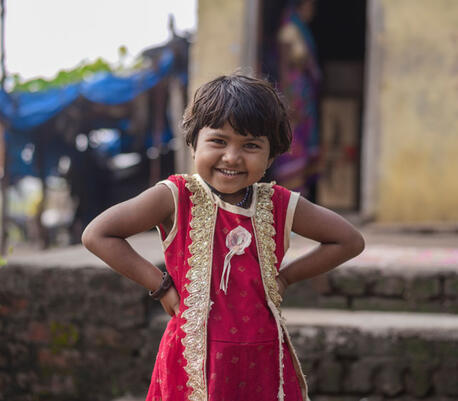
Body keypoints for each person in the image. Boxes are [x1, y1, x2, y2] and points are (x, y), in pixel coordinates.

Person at [82, 74, 364, 401]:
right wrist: (159, 284)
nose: (232, 157)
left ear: (271, 156)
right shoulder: (176, 196)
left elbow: (349, 240)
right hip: (191, 359)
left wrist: (285, 278)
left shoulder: (279, 204)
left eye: (251, 146)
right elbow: (98, 234)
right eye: (218, 141)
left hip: (262, 360)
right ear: (193, 143)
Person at [272, 0, 321, 197]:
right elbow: (284, 68)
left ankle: (300, 191)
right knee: (293, 140)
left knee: (303, 139)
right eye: (310, 5)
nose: (312, 10)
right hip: (294, 94)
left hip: (304, 94)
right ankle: (290, 193)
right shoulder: (289, 30)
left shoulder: (300, 30)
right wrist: (288, 100)